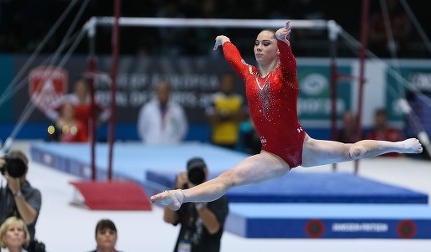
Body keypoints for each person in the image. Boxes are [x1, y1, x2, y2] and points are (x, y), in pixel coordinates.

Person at [150, 21, 423, 211]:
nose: (258, 48)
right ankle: (180, 197)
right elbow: (234, 58)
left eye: (264, 43)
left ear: (275, 50)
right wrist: (225, 41)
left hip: (304, 147)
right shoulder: (249, 76)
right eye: (256, 43)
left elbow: (289, 60)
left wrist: (283, 41)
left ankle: (399, 146)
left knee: (353, 152)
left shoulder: (287, 77)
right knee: (230, 179)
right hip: (273, 156)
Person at [163, 157, 229, 252]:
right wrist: (175, 192)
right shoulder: (184, 195)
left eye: (199, 171)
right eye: (193, 172)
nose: (196, 175)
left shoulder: (218, 195)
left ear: (206, 171)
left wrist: (198, 198)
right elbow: (168, 218)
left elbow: (213, 227)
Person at [0, 150, 45, 252]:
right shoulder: (2, 192)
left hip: (24, 251)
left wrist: (17, 192)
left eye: (21, 168)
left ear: (26, 170)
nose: (17, 171)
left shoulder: (34, 193)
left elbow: (29, 218)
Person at [137, 80, 188, 144]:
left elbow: (182, 130)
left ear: (169, 93)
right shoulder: (147, 109)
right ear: (156, 93)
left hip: (172, 148)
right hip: (151, 147)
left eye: (165, 92)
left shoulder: (177, 110)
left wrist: (174, 141)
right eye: (160, 92)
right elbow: (142, 130)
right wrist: (151, 139)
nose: (162, 95)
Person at [206, 72, 248, 150]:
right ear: (220, 84)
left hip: (235, 141)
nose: (227, 85)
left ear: (233, 84)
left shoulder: (239, 99)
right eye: (224, 82)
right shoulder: (214, 99)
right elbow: (213, 119)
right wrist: (232, 114)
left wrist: (222, 114)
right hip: (217, 140)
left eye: (230, 82)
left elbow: (242, 117)